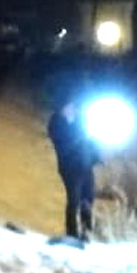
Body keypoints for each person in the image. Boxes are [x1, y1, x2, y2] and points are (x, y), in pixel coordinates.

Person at [47, 94, 97, 242]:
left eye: (73, 106)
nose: (72, 109)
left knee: (88, 198)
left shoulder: (80, 121)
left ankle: (87, 232)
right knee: (74, 200)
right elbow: (62, 147)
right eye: (69, 106)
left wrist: (95, 156)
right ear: (62, 108)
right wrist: (80, 139)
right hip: (70, 168)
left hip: (86, 165)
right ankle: (72, 233)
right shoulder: (56, 123)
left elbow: (91, 142)